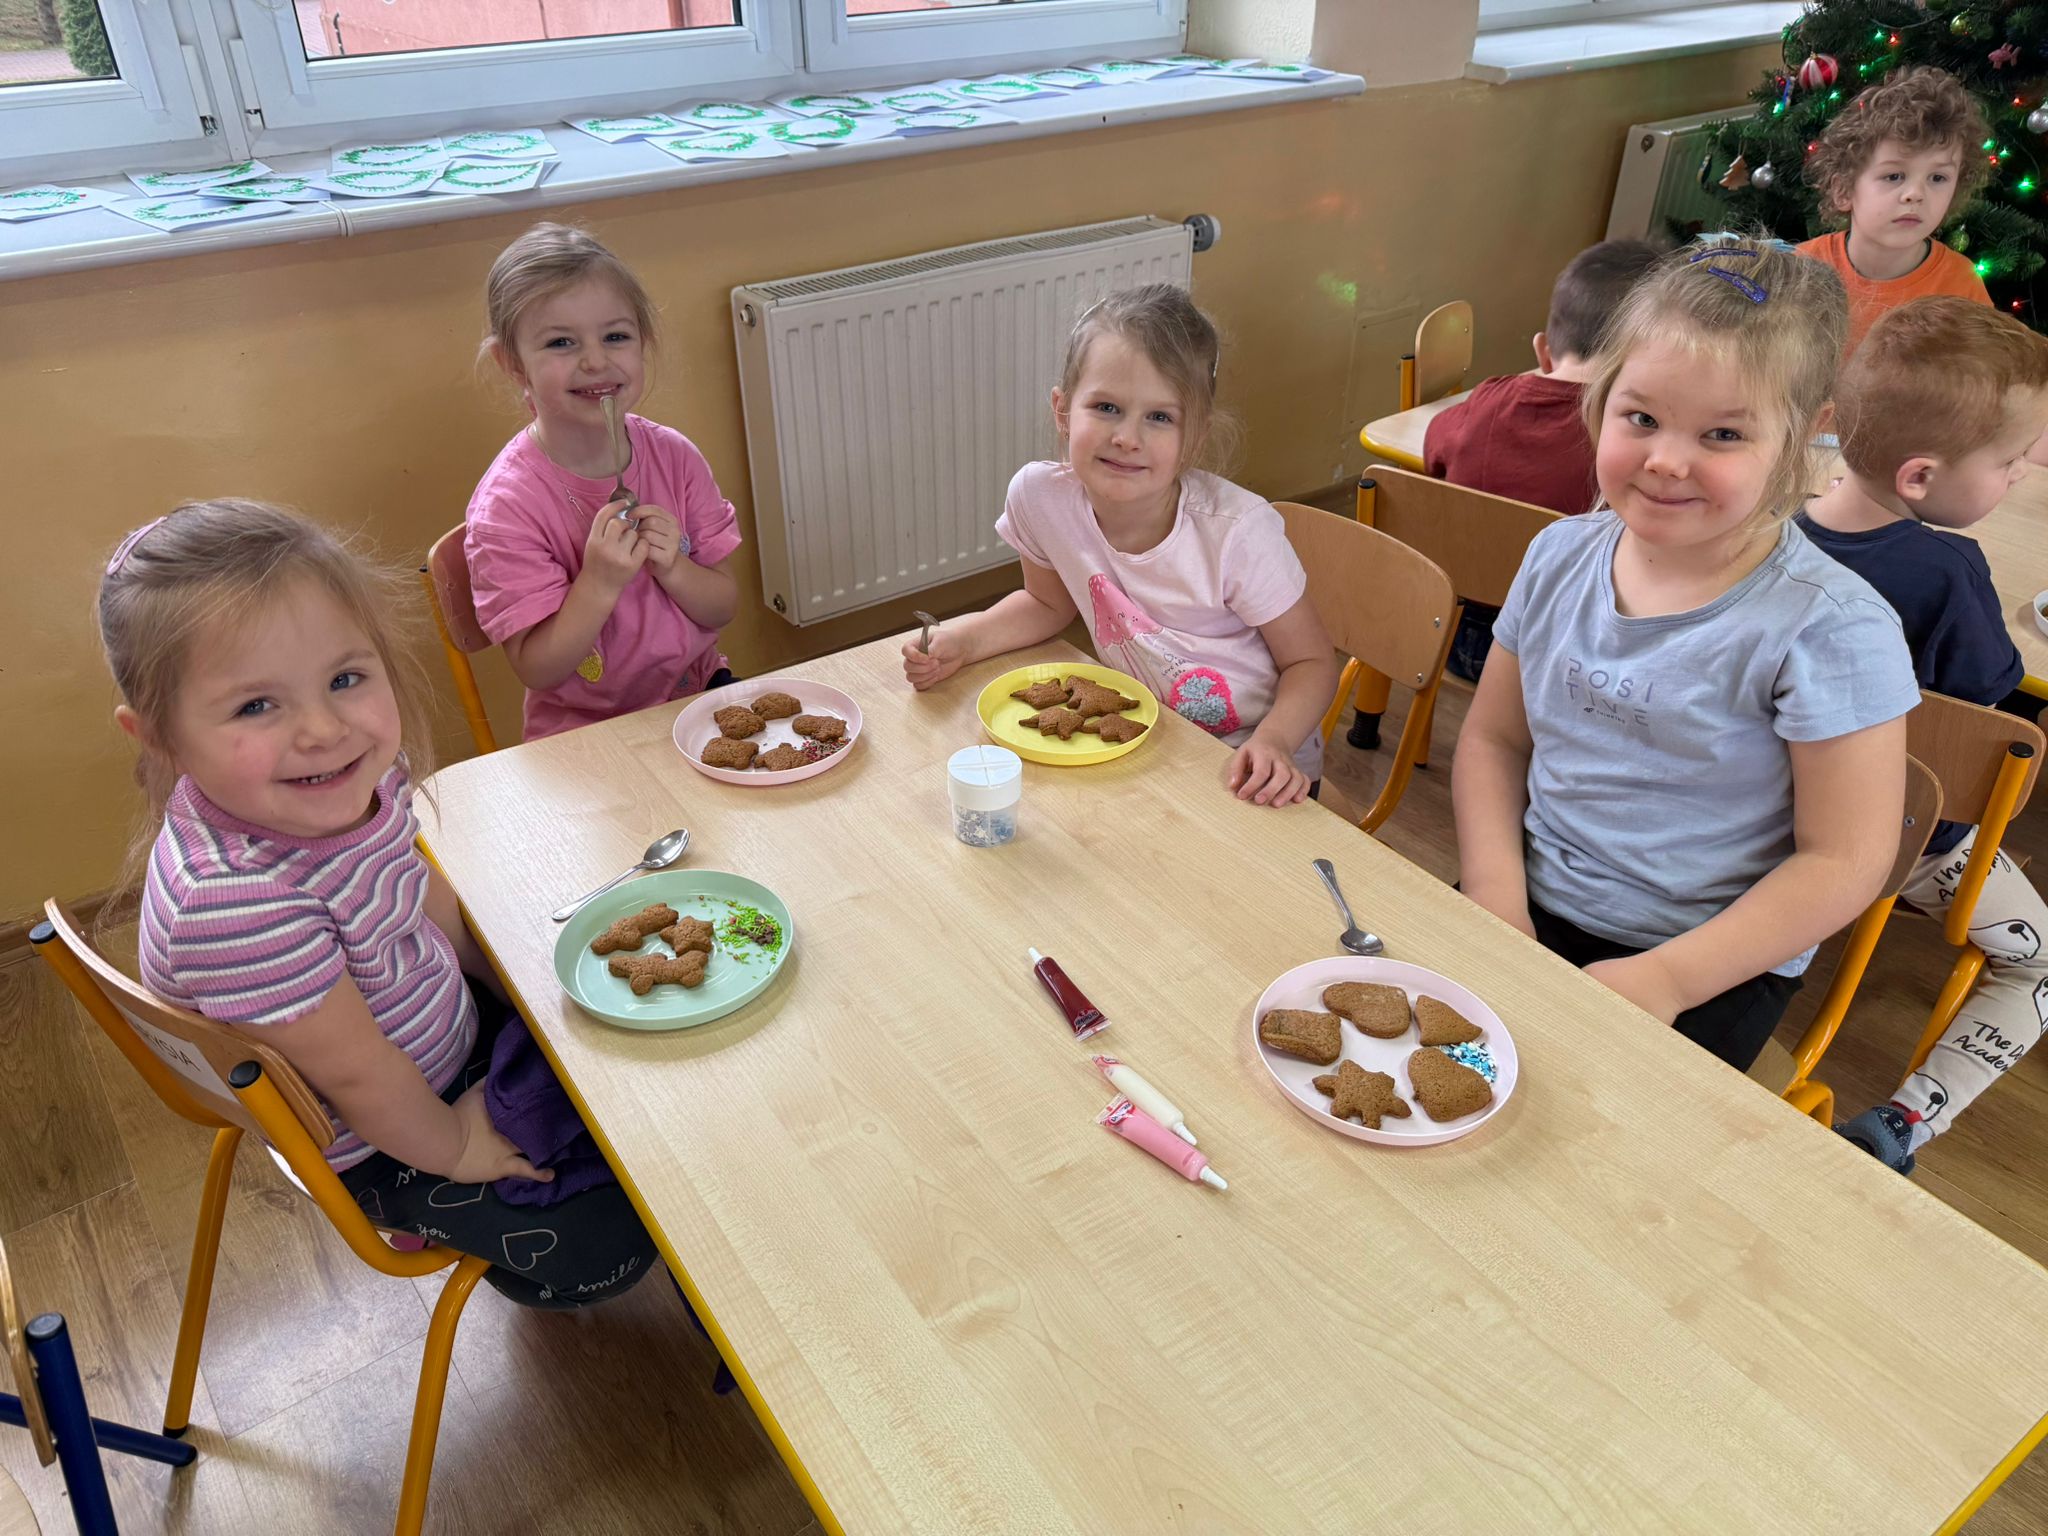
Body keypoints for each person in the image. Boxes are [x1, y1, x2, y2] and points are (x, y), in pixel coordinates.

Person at [100, 500, 657, 1307]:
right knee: (622, 1234)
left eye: (345, 679)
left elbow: (416, 890)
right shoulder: (236, 905)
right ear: (157, 735)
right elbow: (361, 1080)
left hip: (432, 1038)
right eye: (256, 705)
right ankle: (451, 1223)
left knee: (643, 1077)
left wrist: (511, 984)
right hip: (385, 1138)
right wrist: (455, 1146)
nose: (324, 728)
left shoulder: (345, 779)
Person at [1451, 238, 1921, 1070]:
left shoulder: (1832, 629)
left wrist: (1668, 978)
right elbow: (1494, 739)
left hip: (1711, 958)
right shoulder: (1558, 555)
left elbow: (1844, 860)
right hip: (1524, 893)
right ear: (1602, 398)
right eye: (1641, 418)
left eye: (1724, 433)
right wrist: (1493, 891)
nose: (1667, 460)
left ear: (1806, 434)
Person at [901, 283, 1338, 807]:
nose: (1128, 437)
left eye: (1160, 417)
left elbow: (1311, 662)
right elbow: (1045, 604)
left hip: (1253, 762)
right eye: (1106, 407)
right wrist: (964, 641)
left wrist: (1275, 742)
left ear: (1196, 435)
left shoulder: (1237, 532)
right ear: (1063, 411)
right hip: (1148, 738)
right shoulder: (1040, 497)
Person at [1798, 296, 2048, 1172]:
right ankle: (1904, 1122)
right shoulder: (1949, 570)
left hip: (1767, 810)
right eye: (2009, 461)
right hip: (1910, 841)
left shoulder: (1778, 536)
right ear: (1919, 477)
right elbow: (1994, 711)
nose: (2018, 475)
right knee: (2040, 965)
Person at [467, 222, 742, 741]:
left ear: (643, 341)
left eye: (616, 336)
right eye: (561, 342)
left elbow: (723, 606)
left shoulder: (675, 458)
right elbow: (538, 669)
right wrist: (597, 583)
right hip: (582, 732)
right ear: (513, 364)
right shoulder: (507, 508)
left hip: (695, 695)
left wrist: (674, 567)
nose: (595, 361)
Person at [1423, 238, 1661, 679]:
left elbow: (1432, 451)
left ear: (1542, 351)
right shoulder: (1634, 445)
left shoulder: (1488, 400)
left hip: (1448, 631)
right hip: (1564, 655)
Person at [1797, 66, 1992, 357]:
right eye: (1894, 176)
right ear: (1844, 190)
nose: (1916, 194)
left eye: (1938, 178)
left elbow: (1981, 374)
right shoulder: (1800, 270)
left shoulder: (1962, 285)